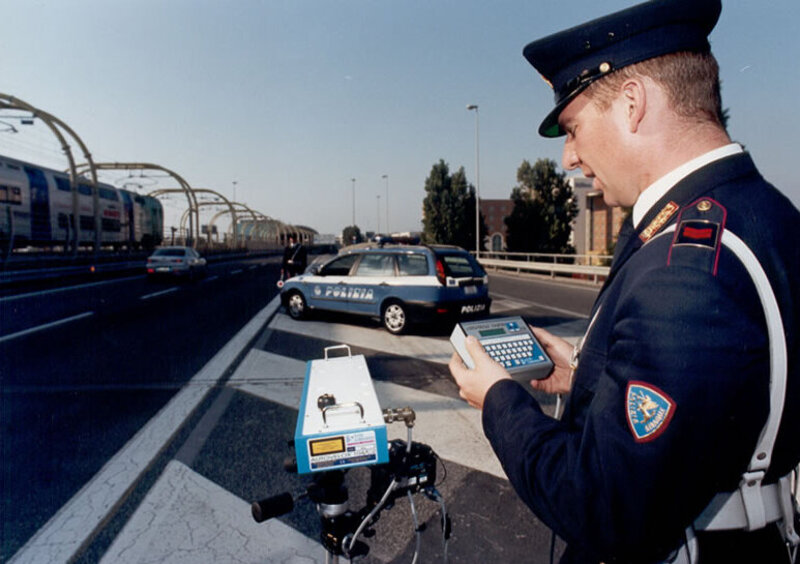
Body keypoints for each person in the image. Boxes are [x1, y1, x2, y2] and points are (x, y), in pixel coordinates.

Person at [448, 0, 800, 562]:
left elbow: (604, 506)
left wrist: (498, 402)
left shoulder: (683, 270)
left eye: (572, 127)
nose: (569, 157)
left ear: (632, 104)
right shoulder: (768, 214)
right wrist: (588, 374)